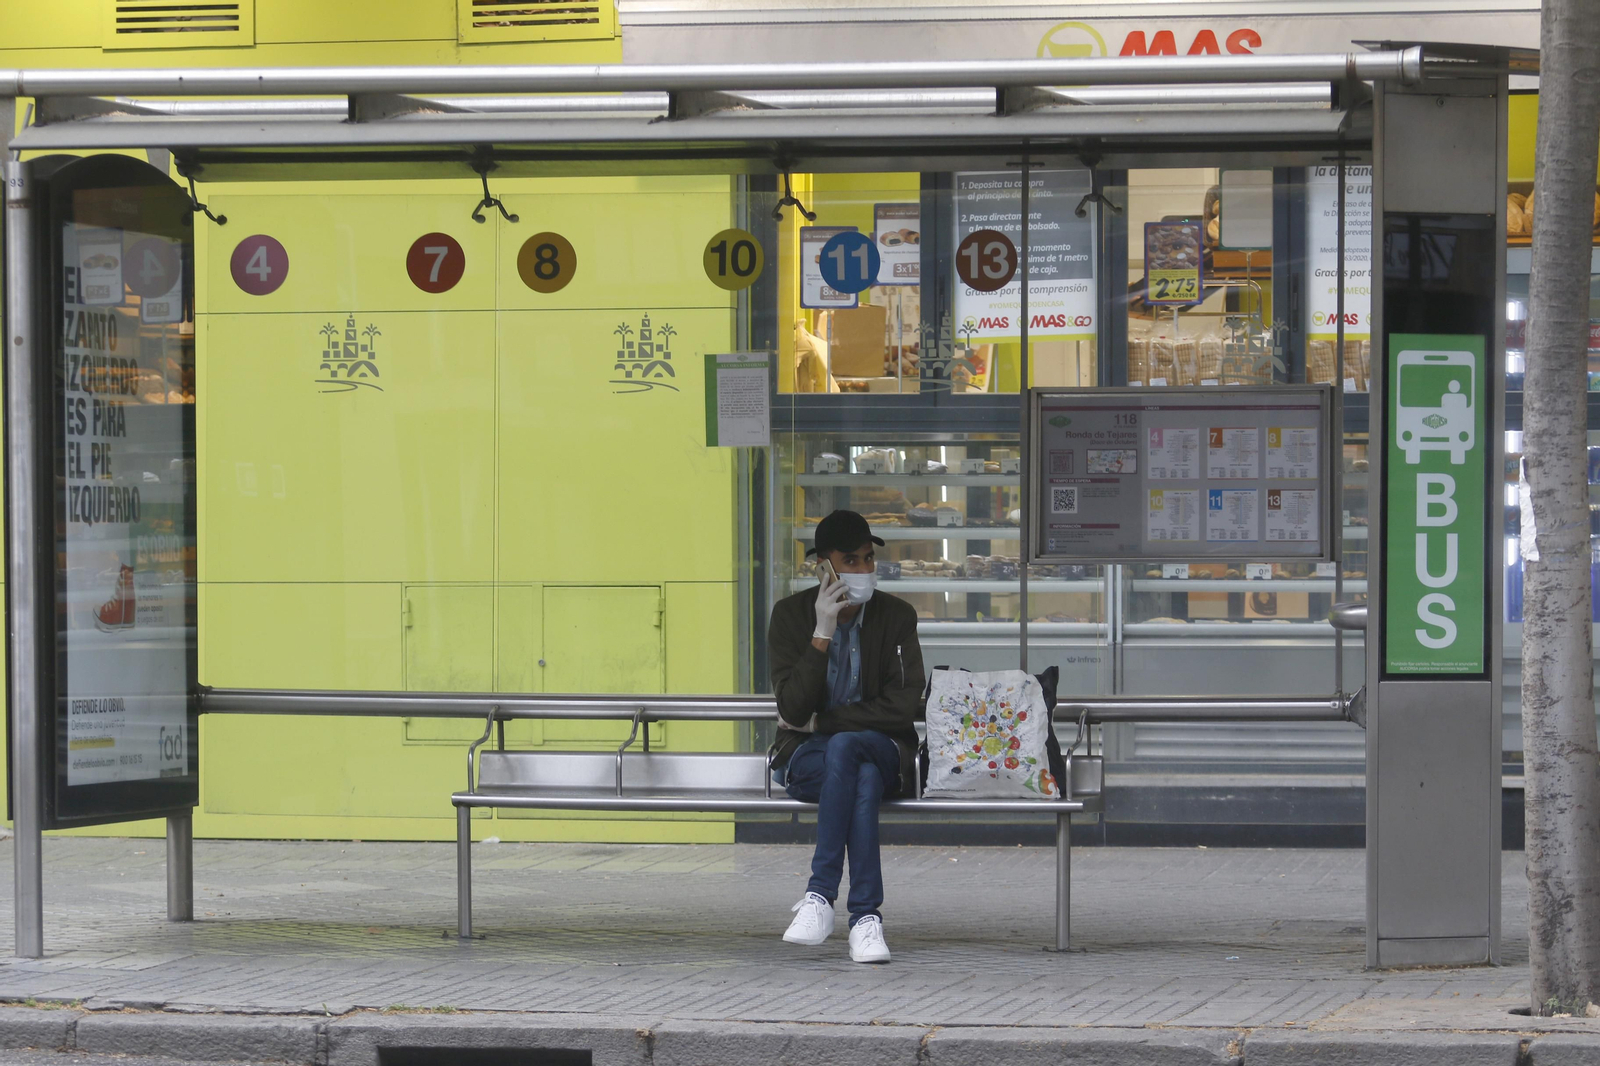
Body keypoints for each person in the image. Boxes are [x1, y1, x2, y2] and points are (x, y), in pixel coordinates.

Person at [767, 509, 926, 963]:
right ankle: (865, 919)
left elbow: (902, 705)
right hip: (810, 757)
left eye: (867, 560)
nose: (862, 571)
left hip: (884, 747)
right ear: (823, 567)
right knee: (859, 776)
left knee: (846, 747)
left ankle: (819, 897)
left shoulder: (897, 616)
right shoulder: (791, 617)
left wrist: (824, 724)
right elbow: (792, 709)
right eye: (850, 561)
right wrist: (822, 633)